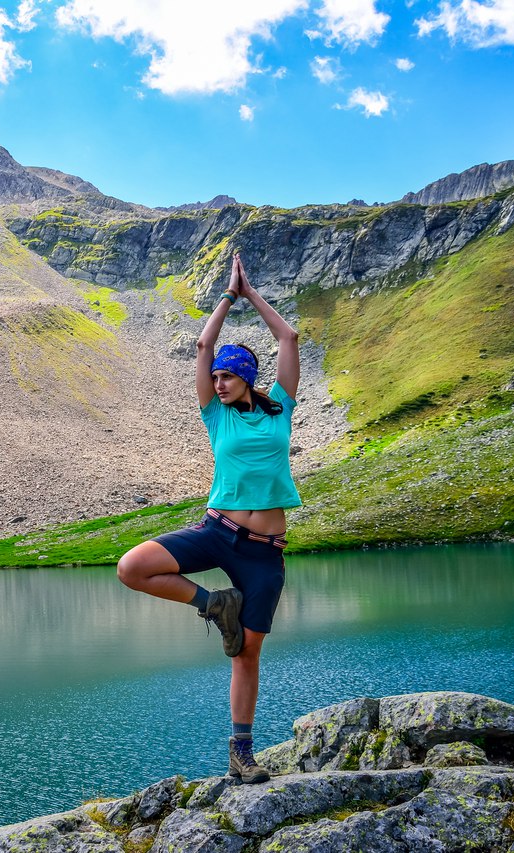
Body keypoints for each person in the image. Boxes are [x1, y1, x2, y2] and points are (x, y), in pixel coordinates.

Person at [117, 252, 301, 785]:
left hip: (264, 553)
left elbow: (288, 340)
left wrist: (252, 293)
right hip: (216, 532)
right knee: (132, 567)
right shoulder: (214, 416)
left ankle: (241, 753)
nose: (218, 382)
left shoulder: (280, 409)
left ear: (247, 380)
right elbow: (201, 345)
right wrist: (225, 296)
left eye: (228, 376)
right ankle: (214, 605)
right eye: (215, 376)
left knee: (246, 652)